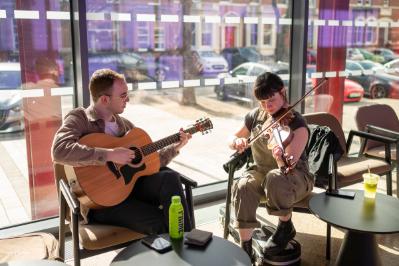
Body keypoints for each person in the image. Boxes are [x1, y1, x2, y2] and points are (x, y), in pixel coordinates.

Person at [52, 68, 193, 234]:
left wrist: (175, 147)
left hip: (130, 190)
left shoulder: (125, 125)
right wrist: (109, 154)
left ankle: (189, 243)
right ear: (104, 99)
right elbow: (59, 150)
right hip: (101, 202)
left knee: (170, 178)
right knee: (162, 222)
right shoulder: (79, 118)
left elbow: (148, 163)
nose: (128, 99)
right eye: (123, 95)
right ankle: (182, 243)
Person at [229, 72, 314, 258]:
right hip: (261, 172)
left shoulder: (297, 123)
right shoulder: (255, 116)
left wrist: (278, 153)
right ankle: (246, 247)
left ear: (282, 92)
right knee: (243, 185)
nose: (267, 106)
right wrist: (237, 142)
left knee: (275, 177)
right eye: (262, 102)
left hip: (294, 177)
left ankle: (285, 226)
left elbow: (287, 167)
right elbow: (233, 137)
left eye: (271, 100)